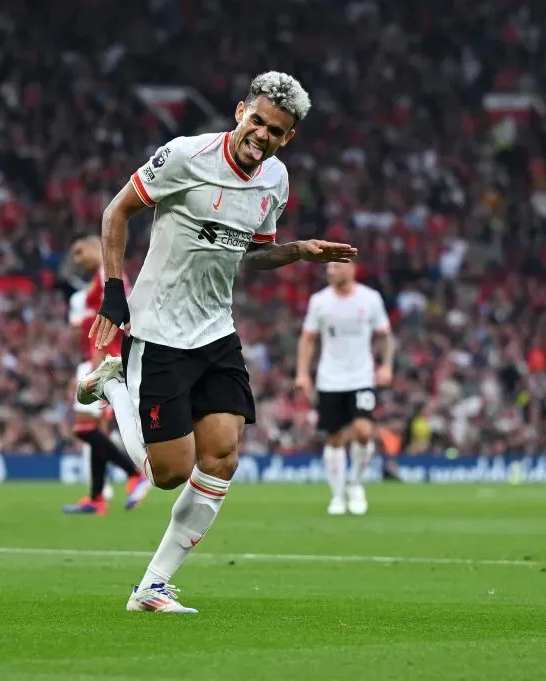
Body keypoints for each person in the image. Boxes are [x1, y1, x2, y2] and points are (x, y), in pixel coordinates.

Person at [77, 71, 357, 613]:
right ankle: (113, 387)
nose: (263, 135)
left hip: (216, 333)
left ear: (287, 137)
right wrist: (115, 293)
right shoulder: (184, 156)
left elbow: (248, 254)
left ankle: (152, 587)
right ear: (239, 113)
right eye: (257, 121)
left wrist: (297, 252)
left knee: (223, 458)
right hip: (158, 334)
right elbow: (117, 212)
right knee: (170, 474)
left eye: (276, 130)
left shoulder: (275, 180)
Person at [295, 261, 394, 515]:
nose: (330, 271)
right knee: (335, 437)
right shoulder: (319, 301)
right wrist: (303, 374)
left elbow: (384, 335)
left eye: (336, 267)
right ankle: (337, 495)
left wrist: (386, 366)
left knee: (363, 431)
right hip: (330, 378)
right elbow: (308, 338)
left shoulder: (370, 299)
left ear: (351, 269)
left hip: (362, 377)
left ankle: (356, 484)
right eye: (327, 268)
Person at [63, 239, 150, 515]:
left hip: (105, 361)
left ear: (95, 247)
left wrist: (96, 364)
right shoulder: (100, 278)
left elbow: (116, 316)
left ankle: (135, 473)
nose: (77, 258)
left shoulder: (107, 275)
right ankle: (97, 498)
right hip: (99, 359)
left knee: (83, 428)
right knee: (94, 430)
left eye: (80, 251)